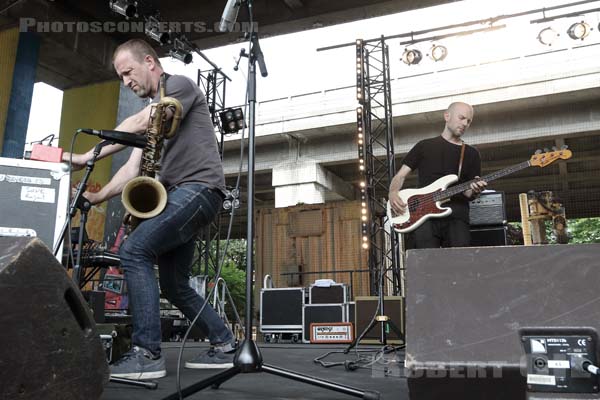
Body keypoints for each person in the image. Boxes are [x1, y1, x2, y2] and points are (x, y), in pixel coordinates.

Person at [64, 39, 236, 379]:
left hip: (199, 189)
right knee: (174, 284)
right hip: (179, 197)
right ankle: (225, 344)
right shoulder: (155, 121)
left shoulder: (179, 87)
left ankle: (147, 354)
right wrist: (94, 198)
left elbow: (143, 119)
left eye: (128, 72)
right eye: (121, 77)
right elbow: (130, 171)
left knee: (133, 251)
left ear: (149, 62)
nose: (126, 81)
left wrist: (87, 157)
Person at [388, 102, 487, 248]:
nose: (465, 123)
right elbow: (400, 175)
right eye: (461, 118)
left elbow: (468, 193)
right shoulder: (424, 146)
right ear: (447, 116)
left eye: (468, 121)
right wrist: (393, 192)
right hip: (423, 216)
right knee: (426, 264)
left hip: (456, 217)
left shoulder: (471, 154)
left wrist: (475, 191)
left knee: (459, 265)